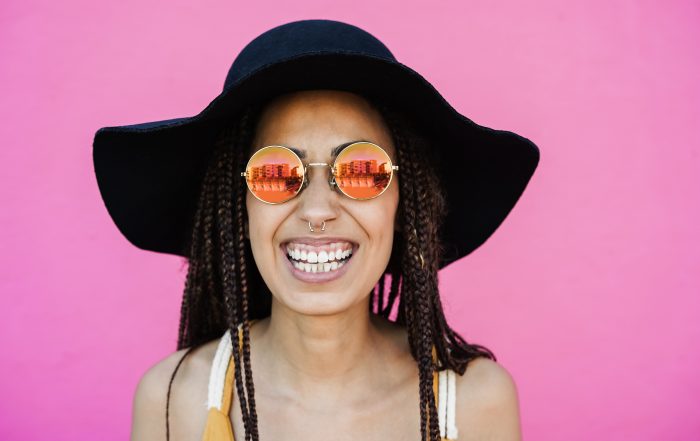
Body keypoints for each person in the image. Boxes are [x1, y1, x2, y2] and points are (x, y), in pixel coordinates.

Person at [93, 19, 539, 441]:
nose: (318, 210)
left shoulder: (474, 403)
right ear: (240, 208)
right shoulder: (173, 399)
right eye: (276, 173)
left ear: (403, 204)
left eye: (362, 171)